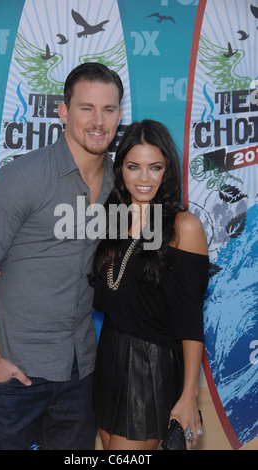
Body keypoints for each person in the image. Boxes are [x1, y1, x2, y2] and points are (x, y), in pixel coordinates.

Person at [0, 62, 123, 450]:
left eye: (109, 109)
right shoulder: (23, 177)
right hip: (14, 374)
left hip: (81, 372)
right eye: (86, 108)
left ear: (119, 114)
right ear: (64, 112)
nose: (98, 121)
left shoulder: (122, 184)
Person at [89, 120, 209, 450]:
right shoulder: (111, 219)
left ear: (167, 170)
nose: (144, 179)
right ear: (120, 169)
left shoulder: (184, 226)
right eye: (134, 167)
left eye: (154, 167)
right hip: (109, 357)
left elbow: (190, 321)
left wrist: (188, 396)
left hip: (151, 366)